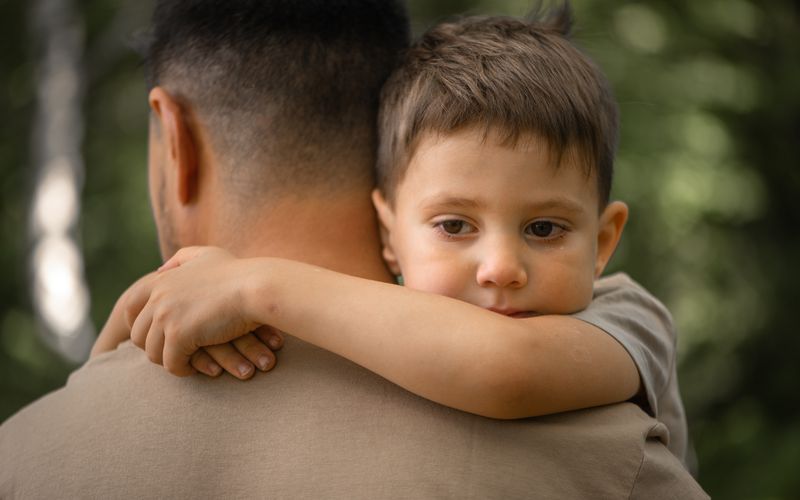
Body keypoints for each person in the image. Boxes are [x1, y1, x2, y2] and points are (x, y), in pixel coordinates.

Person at [0, 1, 707, 498]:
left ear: (172, 142)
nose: (500, 269)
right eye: (456, 225)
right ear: (388, 223)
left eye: (544, 229)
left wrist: (252, 287)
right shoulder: (606, 458)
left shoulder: (615, 316)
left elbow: (507, 369)